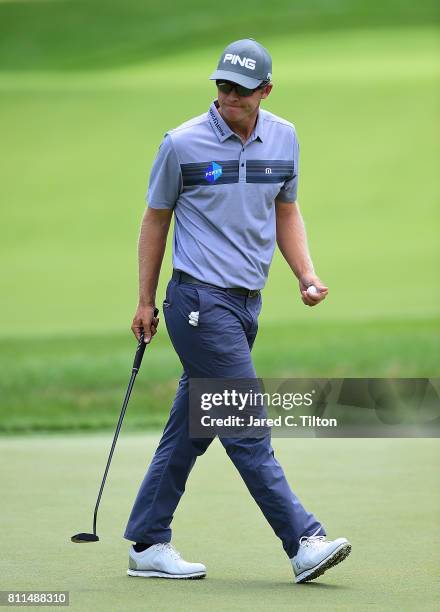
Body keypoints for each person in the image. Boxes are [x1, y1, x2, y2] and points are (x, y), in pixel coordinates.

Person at [124, 38, 351, 583]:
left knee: (193, 426)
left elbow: (286, 209)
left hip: (247, 305)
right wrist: (144, 300)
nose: (227, 97)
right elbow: (155, 221)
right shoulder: (181, 144)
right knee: (244, 422)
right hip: (199, 303)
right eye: (221, 86)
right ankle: (302, 541)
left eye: (240, 90)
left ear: (265, 91)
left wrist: (305, 274)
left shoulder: (285, 137)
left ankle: (148, 542)